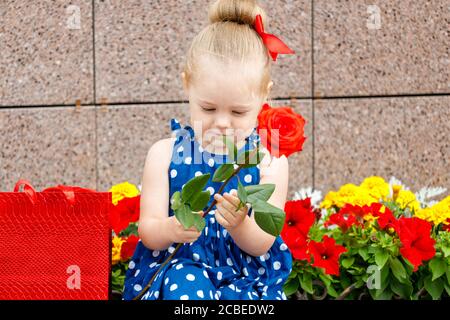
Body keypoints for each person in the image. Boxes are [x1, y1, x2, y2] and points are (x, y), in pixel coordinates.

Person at [122, 0, 294, 300]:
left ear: (264, 95)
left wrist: (240, 226)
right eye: (208, 107)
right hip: (182, 267)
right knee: (186, 288)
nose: (223, 123)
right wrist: (172, 229)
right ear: (187, 85)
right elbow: (148, 231)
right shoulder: (164, 154)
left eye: (239, 112)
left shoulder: (269, 161)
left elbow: (263, 242)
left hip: (245, 277)